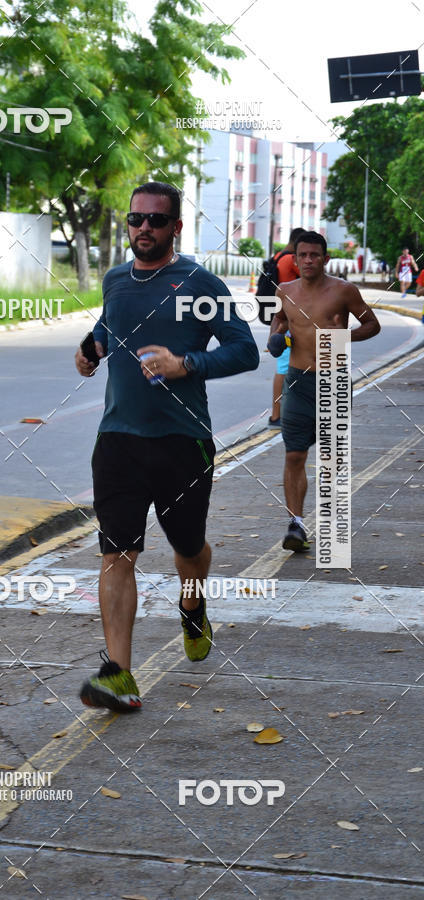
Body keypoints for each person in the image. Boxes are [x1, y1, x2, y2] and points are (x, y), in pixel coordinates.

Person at [74, 181, 259, 711]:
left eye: (156, 221)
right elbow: (107, 332)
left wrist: (187, 365)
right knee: (117, 554)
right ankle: (119, 676)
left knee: (188, 549)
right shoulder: (115, 280)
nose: (144, 229)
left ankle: (193, 604)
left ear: (176, 226)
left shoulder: (199, 283)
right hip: (118, 441)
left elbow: (245, 351)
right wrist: (89, 353)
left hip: (183, 443)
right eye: (136, 220)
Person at [268, 232, 380, 552]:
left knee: (330, 459)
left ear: (325, 259)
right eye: (302, 255)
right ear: (295, 257)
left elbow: (372, 324)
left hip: (334, 381)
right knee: (294, 454)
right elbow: (279, 322)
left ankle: (331, 524)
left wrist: (344, 337)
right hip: (297, 381)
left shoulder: (343, 290)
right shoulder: (284, 291)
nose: (307, 260)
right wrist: (277, 337)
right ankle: (296, 524)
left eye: (314, 255)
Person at [268, 228, 305, 427]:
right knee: (283, 368)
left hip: (282, 315)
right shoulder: (290, 260)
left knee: (286, 367)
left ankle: (280, 414)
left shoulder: (278, 256)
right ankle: (276, 416)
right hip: (289, 319)